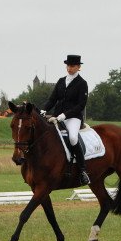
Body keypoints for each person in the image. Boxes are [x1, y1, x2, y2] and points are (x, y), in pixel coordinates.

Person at [41, 54, 91, 185]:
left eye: (73, 66)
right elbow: (52, 99)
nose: (69, 68)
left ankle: (82, 170)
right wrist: (44, 109)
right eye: (68, 65)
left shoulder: (82, 83)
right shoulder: (61, 81)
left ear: (78, 67)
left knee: (73, 138)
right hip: (57, 116)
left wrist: (66, 115)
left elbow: (81, 105)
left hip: (73, 118)